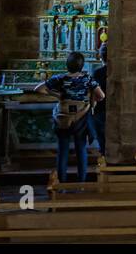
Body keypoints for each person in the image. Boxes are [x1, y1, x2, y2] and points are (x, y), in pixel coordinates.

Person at [34, 51, 103, 183]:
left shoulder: (60, 78)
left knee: (63, 150)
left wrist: (57, 95)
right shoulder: (87, 79)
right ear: (82, 66)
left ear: (67, 65)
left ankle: (61, 183)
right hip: (81, 117)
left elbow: (38, 89)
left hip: (63, 117)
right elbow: (101, 95)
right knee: (81, 149)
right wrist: (91, 100)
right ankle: (81, 182)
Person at [89, 42, 109, 155]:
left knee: (102, 140)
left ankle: (105, 162)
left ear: (101, 56)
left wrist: (92, 106)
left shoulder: (98, 73)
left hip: (100, 109)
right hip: (111, 109)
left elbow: (94, 93)